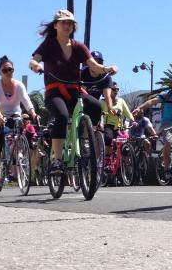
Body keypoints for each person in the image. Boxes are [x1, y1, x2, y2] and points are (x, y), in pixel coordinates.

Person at [29, 9, 116, 173]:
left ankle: (85, 136)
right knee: (62, 116)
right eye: (63, 22)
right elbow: (34, 60)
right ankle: (58, 160)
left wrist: (106, 68)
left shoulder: (79, 47)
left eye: (70, 22)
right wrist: (35, 66)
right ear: (55, 25)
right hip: (54, 92)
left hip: (75, 89)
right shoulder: (49, 44)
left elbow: (93, 65)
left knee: (96, 106)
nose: (67, 25)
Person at [0, 57, 37, 187]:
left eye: (10, 69)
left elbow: (26, 100)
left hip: (14, 114)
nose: (8, 72)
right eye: (5, 70)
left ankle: (19, 149)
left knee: (20, 125)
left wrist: (33, 113)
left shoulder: (19, 85)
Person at [100, 83, 134, 157]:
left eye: (117, 89)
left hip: (119, 127)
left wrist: (133, 121)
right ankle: (107, 160)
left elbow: (127, 112)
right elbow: (97, 112)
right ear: (109, 90)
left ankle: (124, 163)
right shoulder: (102, 102)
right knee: (108, 139)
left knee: (125, 145)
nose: (116, 91)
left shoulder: (121, 101)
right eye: (114, 89)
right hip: (108, 126)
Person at [82, 50, 116, 115]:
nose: (95, 65)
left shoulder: (106, 77)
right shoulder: (82, 73)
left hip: (95, 104)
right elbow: (81, 91)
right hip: (81, 102)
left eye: (98, 62)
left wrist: (110, 108)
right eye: (93, 63)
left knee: (97, 109)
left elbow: (107, 96)